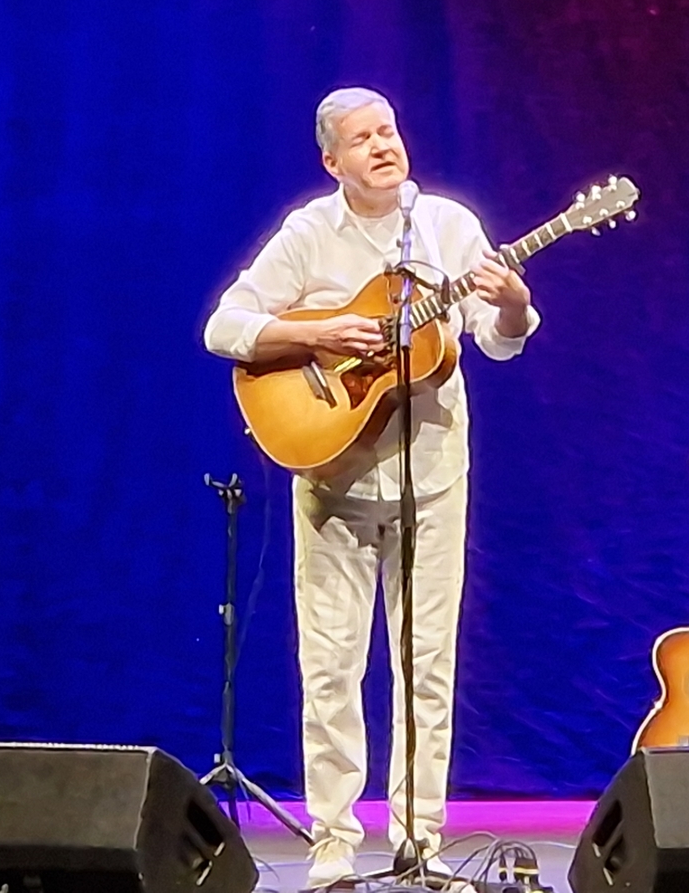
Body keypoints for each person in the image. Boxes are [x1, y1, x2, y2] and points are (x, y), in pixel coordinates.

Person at [203, 86, 539, 888]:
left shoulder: (449, 227)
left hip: (433, 480)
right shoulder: (311, 233)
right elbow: (226, 326)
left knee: (427, 668)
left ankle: (420, 839)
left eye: (388, 130)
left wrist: (516, 304)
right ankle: (333, 841)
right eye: (362, 138)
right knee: (331, 667)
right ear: (332, 161)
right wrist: (313, 331)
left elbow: (500, 344)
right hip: (332, 480)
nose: (384, 145)